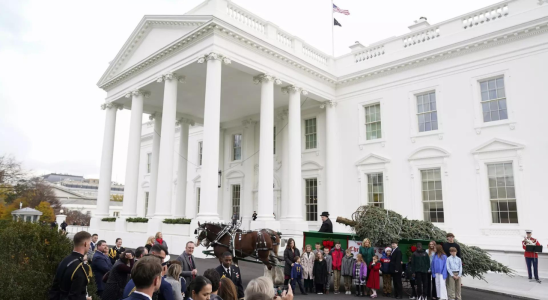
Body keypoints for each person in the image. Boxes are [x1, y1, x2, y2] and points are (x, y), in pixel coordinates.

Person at [48, 231, 92, 300]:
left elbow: (55, 288)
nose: (90, 247)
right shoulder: (81, 266)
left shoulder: (65, 260)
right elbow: (75, 296)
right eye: (90, 244)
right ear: (85, 244)